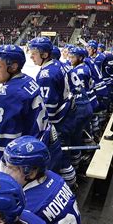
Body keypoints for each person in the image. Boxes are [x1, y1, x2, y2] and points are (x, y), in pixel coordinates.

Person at [1, 135, 90, 224]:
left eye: (11, 168)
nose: (6, 172)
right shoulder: (54, 177)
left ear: (31, 172)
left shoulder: (29, 208)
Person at [0, 44, 48, 171]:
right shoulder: (28, 80)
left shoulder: (5, 96)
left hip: (28, 160)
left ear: (13, 67)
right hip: (43, 143)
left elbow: (4, 143)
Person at [28, 36, 76, 188]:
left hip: (59, 122)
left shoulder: (46, 75)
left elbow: (49, 106)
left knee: (59, 158)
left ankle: (67, 188)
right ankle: (72, 182)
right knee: (66, 153)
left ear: (44, 55)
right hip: (68, 115)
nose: (31, 56)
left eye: (34, 53)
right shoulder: (56, 64)